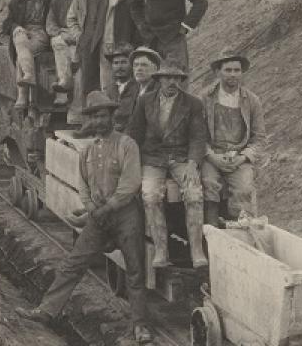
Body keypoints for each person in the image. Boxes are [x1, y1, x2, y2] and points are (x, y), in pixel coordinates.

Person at [15, 91, 152, 344]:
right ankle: (46, 311)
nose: (99, 121)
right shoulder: (87, 151)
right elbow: (84, 187)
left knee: (134, 270)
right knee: (73, 264)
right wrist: (91, 207)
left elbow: (130, 183)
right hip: (99, 216)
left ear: (112, 116)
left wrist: (106, 207)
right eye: (94, 116)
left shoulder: (126, 145)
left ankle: (140, 326)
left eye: (103, 115)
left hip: (125, 215)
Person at [127, 61, 208, 268]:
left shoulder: (193, 103)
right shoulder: (145, 101)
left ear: (181, 80)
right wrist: (131, 163)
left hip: (181, 157)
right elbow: (134, 134)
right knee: (151, 195)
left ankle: (196, 251)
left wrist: (193, 164)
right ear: (159, 79)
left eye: (177, 78)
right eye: (168, 77)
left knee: (194, 194)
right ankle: (161, 250)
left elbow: (198, 137)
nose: (172, 82)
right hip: (153, 158)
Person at [200, 49, 266, 225]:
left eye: (237, 70)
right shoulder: (205, 98)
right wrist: (212, 156)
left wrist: (243, 157)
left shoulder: (252, 101)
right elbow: (197, 135)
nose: (233, 74)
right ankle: (211, 232)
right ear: (218, 72)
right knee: (209, 183)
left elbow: (259, 138)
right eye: (228, 70)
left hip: (238, 156)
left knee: (244, 187)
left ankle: (243, 230)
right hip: (212, 155)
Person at [3, 0, 59, 109]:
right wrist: (16, 27)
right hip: (23, 31)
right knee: (20, 38)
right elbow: (7, 23)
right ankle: (28, 76)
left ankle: (22, 95)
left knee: (21, 55)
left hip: (40, 31)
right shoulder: (17, 0)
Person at [66, 0, 110, 99]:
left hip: (105, 40)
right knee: (87, 78)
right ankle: (89, 113)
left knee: (106, 77)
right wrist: (79, 35)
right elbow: (71, 18)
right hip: (86, 42)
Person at [101, 0, 139, 90]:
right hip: (105, 43)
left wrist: (132, 43)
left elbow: (139, 23)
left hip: (124, 43)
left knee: (127, 80)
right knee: (106, 81)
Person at [45, 0, 80, 104]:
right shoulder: (56, 0)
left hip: (79, 32)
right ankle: (64, 82)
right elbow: (50, 23)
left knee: (74, 54)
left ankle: (66, 92)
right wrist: (60, 32)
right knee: (57, 42)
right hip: (63, 33)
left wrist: (75, 34)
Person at [102, 43, 134, 132]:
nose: (119, 67)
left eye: (124, 62)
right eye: (116, 63)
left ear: (132, 65)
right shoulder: (109, 89)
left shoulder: (138, 88)